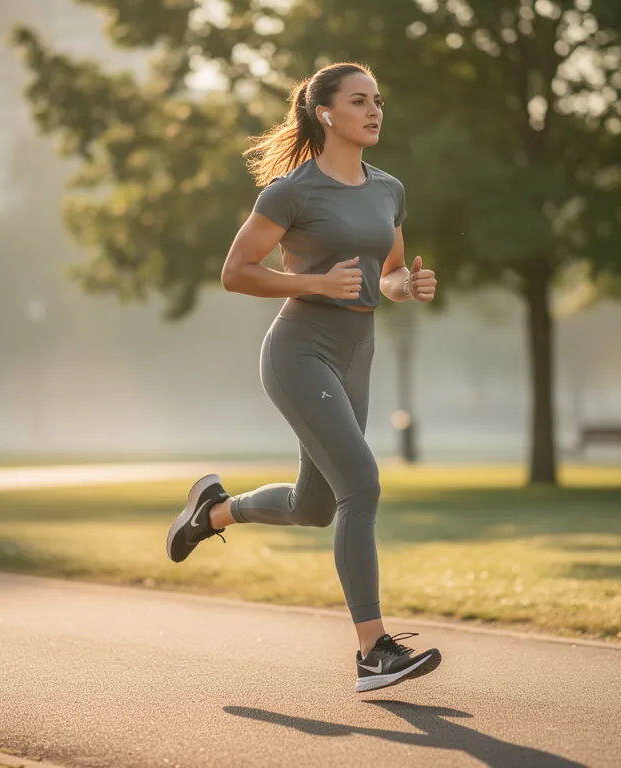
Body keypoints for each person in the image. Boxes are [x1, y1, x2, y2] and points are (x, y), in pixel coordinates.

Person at [164, 62, 442, 693]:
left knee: (315, 506)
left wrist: (408, 286)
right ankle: (374, 651)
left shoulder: (388, 188)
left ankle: (213, 512)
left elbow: (390, 271)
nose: (374, 111)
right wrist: (314, 282)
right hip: (299, 352)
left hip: (357, 354)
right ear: (325, 113)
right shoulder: (291, 192)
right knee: (362, 486)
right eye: (358, 101)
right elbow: (237, 271)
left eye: (378, 100)